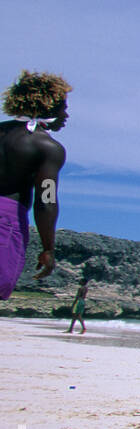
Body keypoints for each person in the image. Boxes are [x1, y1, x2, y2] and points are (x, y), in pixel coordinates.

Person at [0, 71, 70, 300]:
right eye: (62, 107)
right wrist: (48, 248)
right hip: (6, 219)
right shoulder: (48, 148)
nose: (66, 115)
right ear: (47, 108)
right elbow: (46, 200)